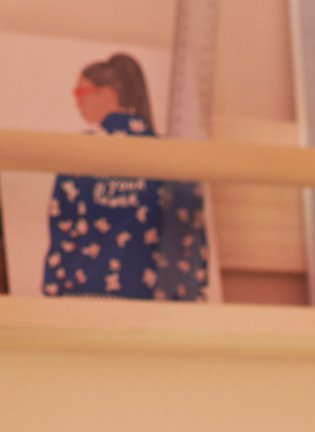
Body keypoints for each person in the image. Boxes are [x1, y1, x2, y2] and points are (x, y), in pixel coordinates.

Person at [44, 53, 208, 300]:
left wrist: (52, 297)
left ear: (108, 94)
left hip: (84, 309)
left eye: (80, 94)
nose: (77, 103)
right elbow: (191, 252)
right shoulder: (174, 157)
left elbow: (62, 240)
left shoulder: (78, 155)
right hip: (157, 313)